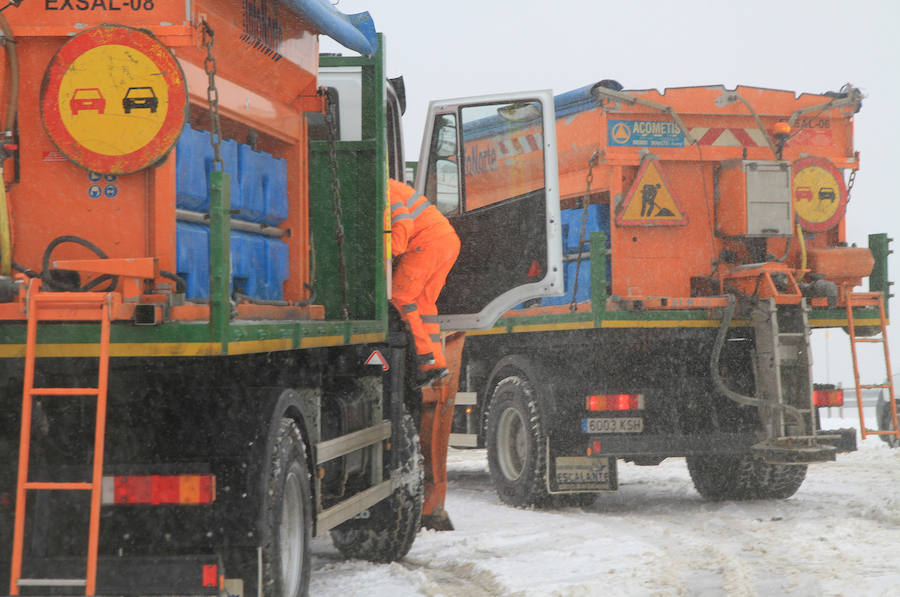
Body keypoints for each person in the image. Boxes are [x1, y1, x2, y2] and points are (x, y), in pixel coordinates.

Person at [388, 178, 460, 388]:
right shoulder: (394, 186)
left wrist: (390, 254)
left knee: (400, 297)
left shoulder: (384, 190)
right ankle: (434, 364)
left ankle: (423, 357)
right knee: (423, 305)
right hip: (445, 241)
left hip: (426, 243)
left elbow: (402, 223)